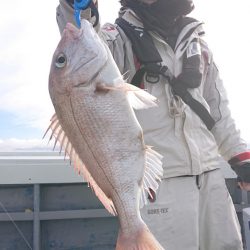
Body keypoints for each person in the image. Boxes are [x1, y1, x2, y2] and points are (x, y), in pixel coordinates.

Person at [55, 0, 250, 249]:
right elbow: (81, 40)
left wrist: (240, 158)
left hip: (212, 180)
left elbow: (218, 113)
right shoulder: (116, 40)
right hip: (159, 186)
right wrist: (75, 7)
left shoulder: (197, 42)